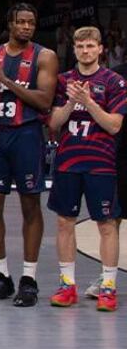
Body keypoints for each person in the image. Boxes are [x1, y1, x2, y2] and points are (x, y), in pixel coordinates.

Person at [0, 3, 57, 306]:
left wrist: (6, 81)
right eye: (20, 22)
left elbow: (45, 100)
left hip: (27, 133)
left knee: (30, 204)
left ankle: (29, 279)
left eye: (30, 23)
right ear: (9, 24)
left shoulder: (44, 56)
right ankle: (1, 277)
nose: (26, 27)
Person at [46, 26, 124, 311]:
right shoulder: (63, 80)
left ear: (101, 48)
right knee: (64, 222)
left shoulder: (114, 82)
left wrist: (88, 101)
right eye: (80, 46)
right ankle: (67, 285)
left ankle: (108, 287)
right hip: (68, 162)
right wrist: (71, 101)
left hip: (100, 164)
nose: (85, 51)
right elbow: (54, 123)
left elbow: (114, 125)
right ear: (75, 49)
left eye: (90, 46)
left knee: (106, 224)